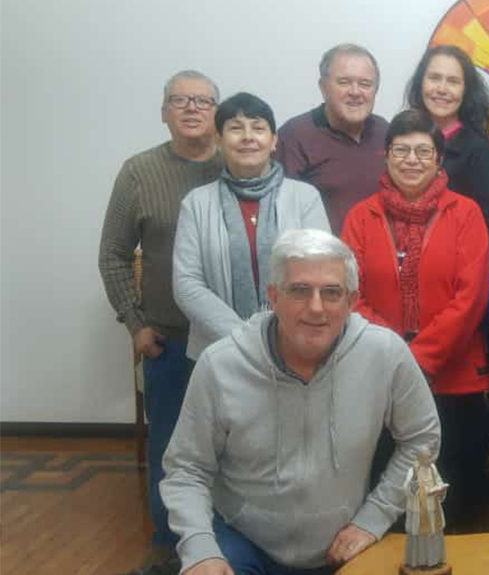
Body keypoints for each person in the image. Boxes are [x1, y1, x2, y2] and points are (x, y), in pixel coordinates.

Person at [161, 229, 442, 575]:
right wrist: (201, 548)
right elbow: (187, 468)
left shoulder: (385, 353)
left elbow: (421, 438)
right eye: (299, 290)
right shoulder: (221, 364)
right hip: (241, 540)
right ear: (273, 296)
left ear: (352, 301)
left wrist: (373, 519)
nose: (316, 307)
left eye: (332, 292)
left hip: (343, 543)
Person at [342, 109, 489, 533]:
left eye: (423, 151)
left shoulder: (466, 213)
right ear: (386, 155)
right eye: (401, 150)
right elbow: (350, 295)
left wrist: (419, 359)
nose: (412, 160)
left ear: (439, 160)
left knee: (455, 500)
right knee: (389, 497)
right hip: (378, 376)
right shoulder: (361, 216)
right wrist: (395, 357)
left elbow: (471, 296)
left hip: (453, 376)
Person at [98, 69, 222, 575]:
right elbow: (113, 254)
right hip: (169, 341)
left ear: (217, 111)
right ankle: (169, 547)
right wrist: (135, 323)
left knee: (237, 449)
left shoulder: (239, 163)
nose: (191, 108)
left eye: (203, 100)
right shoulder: (139, 172)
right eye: (179, 100)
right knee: (172, 449)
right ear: (164, 111)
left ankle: (226, 544)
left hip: (232, 341)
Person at [173, 92, 331, 361]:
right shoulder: (196, 203)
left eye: (258, 128)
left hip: (294, 346)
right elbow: (187, 284)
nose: (248, 137)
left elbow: (321, 270)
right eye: (236, 128)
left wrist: (281, 336)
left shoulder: (305, 197)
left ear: (273, 141)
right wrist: (244, 339)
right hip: (217, 351)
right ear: (219, 140)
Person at [276, 44, 388, 234]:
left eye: (365, 84)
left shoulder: (385, 132)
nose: (355, 92)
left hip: (381, 250)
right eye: (344, 82)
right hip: (321, 251)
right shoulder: (295, 135)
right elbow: (282, 215)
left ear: (376, 90)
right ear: (323, 87)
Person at [405, 44, 489, 249]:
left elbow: (486, 229)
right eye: (434, 78)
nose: (442, 89)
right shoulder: (402, 137)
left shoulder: (479, 150)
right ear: (421, 82)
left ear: (466, 90)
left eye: (453, 81)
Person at [403, 448, 449, 569]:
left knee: (434, 534)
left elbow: (438, 481)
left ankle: (435, 560)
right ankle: (419, 562)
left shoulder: (433, 468)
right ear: (420, 458)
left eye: (430, 457)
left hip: (433, 508)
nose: (430, 459)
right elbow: (407, 490)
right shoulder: (413, 470)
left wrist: (441, 489)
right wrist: (414, 479)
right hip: (420, 510)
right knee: (420, 537)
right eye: (427, 457)